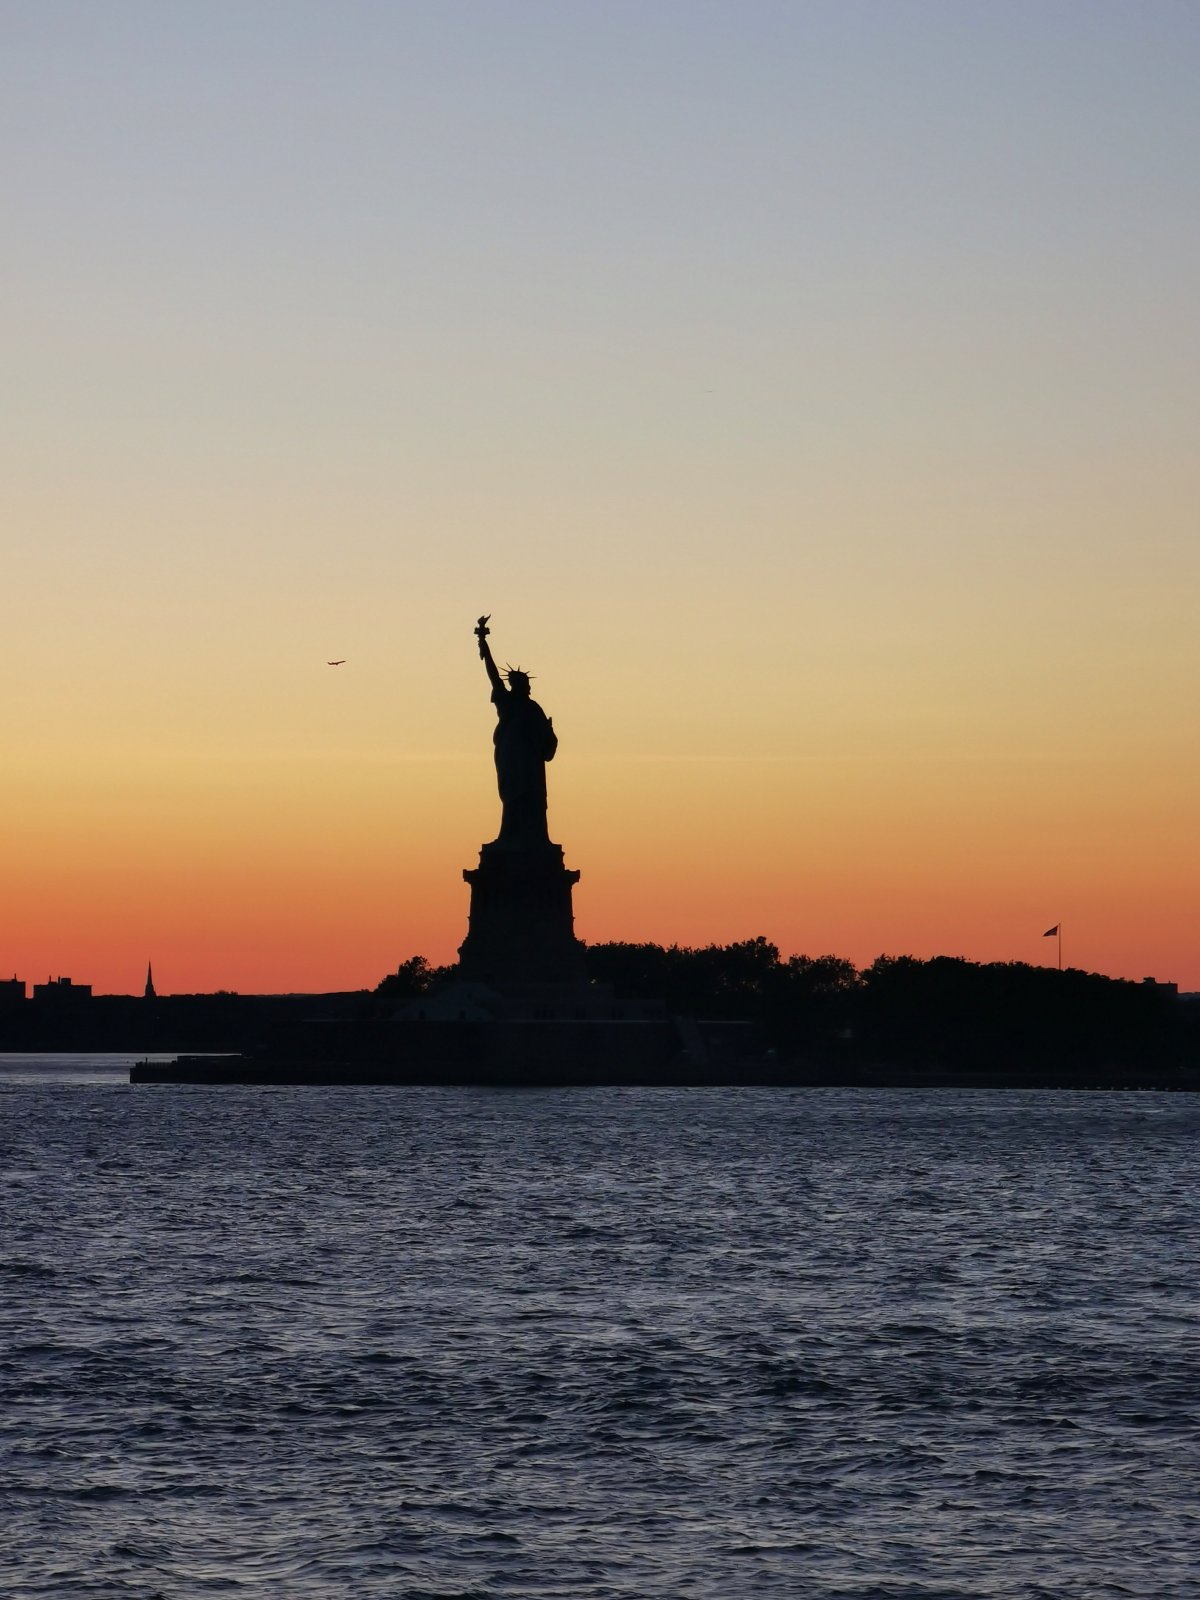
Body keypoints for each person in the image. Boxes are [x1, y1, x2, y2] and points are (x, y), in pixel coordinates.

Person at [475, 617, 558, 846]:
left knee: (532, 799)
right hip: (511, 759)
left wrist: (549, 734)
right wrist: (483, 642)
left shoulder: (533, 708)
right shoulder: (507, 702)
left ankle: (535, 839)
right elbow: (493, 675)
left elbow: (547, 744)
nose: (524, 686)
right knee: (513, 798)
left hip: (530, 764)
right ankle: (510, 836)